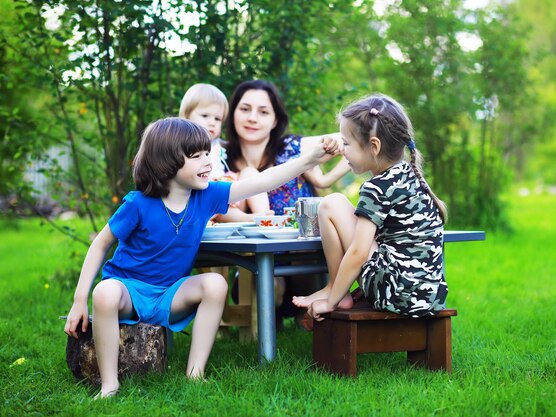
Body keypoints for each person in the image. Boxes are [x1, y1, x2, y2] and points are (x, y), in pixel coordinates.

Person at [63, 117, 339, 398]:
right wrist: (78, 300)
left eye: (208, 153)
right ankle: (110, 384)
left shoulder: (206, 196)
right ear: (166, 162)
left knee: (215, 285)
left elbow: (262, 181)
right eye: (197, 156)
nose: (208, 161)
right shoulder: (138, 203)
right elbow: (100, 245)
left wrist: (308, 160)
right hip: (128, 293)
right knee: (105, 292)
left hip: (170, 295)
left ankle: (195, 373)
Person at [292, 94, 449, 322]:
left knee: (331, 204)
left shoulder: (377, 187)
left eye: (346, 143)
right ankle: (338, 289)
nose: (342, 151)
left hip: (397, 294)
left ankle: (335, 290)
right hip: (429, 297)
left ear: (374, 146)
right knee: (337, 205)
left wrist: (331, 302)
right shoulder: (411, 176)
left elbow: (358, 252)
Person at [224, 79, 350, 320]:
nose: (252, 118)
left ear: (275, 120)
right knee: (260, 283)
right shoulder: (220, 157)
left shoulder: (295, 148)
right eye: (245, 109)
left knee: (302, 278)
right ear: (233, 114)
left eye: (263, 112)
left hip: (304, 262)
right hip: (254, 264)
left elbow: (359, 136)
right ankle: (268, 322)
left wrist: (325, 180)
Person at [179, 83, 271, 222]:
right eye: (205, 116)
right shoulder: (183, 144)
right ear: (186, 117)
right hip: (203, 197)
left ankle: (266, 216)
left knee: (250, 172)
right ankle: (250, 219)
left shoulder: (217, 145)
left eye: (217, 119)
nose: (212, 123)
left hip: (228, 193)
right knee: (213, 194)